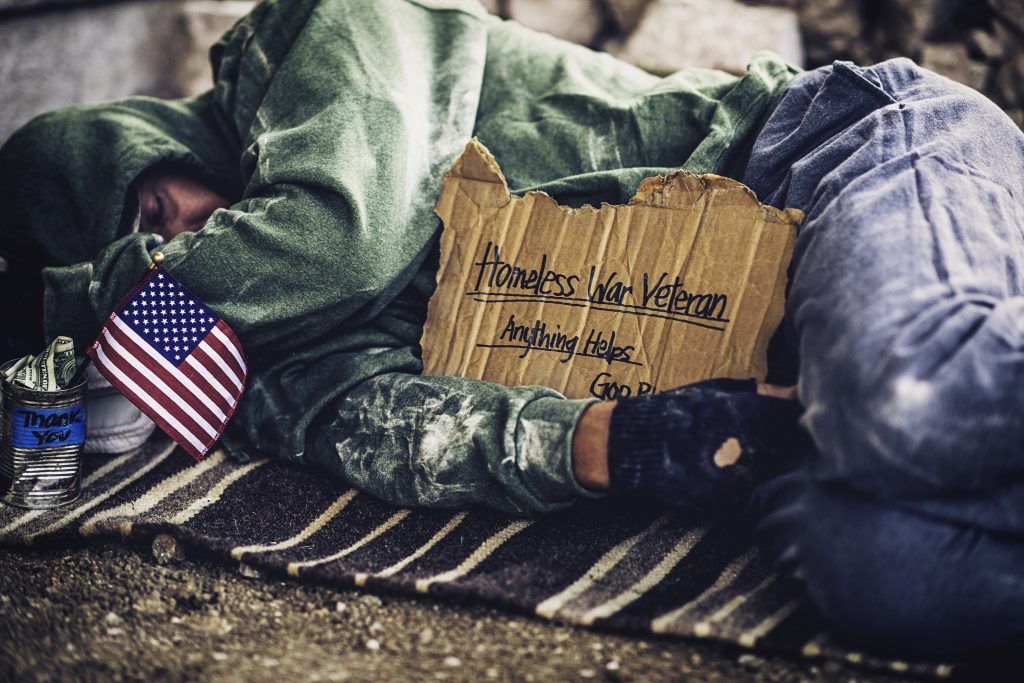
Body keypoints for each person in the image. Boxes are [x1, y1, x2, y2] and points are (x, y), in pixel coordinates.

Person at [1, 0, 1022, 660]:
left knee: (902, 403)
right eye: (142, 263)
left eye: (146, 215)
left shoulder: (315, 38)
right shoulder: (257, 341)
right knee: (880, 568)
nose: (175, 254)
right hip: (789, 361)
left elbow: (337, 240)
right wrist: (624, 437)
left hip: (839, 164)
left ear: (140, 140)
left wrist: (106, 307)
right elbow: (390, 426)